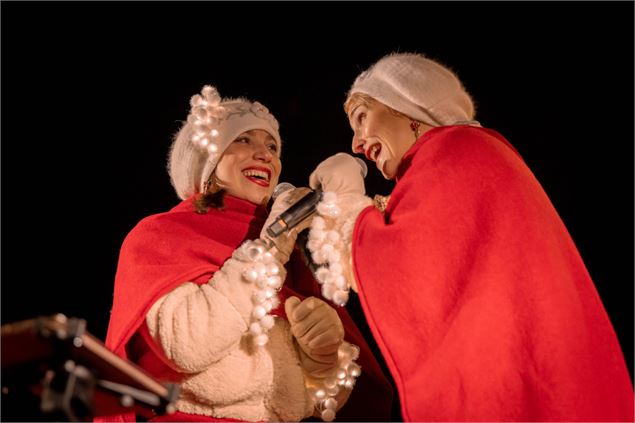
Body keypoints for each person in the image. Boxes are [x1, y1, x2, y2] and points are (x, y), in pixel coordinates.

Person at [304, 53, 634, 421]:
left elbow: (399, 276)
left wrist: (346, 197)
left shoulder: (455, 152)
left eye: (362, 117)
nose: (357, 143)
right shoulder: (468, 156)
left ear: (404, 105)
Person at [99, 85, 393, 422]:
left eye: (272, 146)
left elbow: (322, 400)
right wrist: (270, 246)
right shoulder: (160, 236)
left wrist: (324, 358)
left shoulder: (293, 253)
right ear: (208, 157)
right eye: (243, 140)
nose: (266, 154)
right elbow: (186, 346)